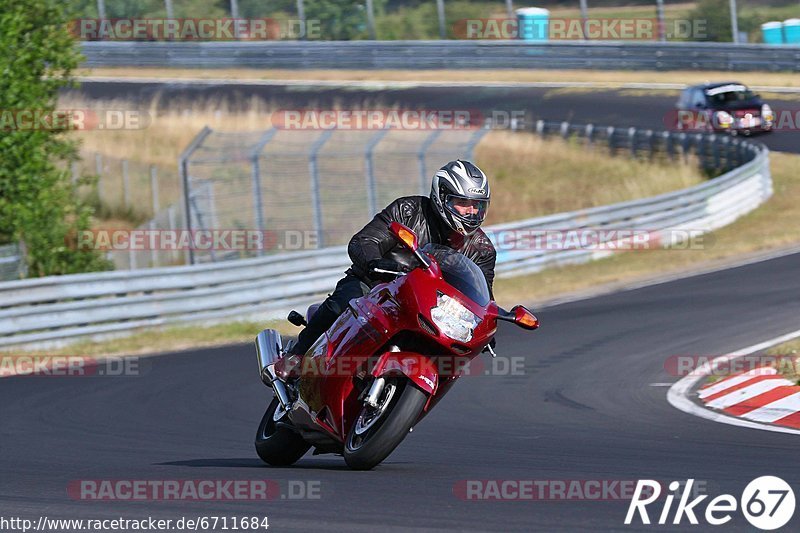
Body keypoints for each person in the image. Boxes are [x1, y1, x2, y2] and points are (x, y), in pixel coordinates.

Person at [275, 159, 496, 379]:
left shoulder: (482, 250)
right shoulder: (409, 211)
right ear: (442, 197)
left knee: (450, 361)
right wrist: (375, 264)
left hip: (428, 306)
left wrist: (486, 325)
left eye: (477, 205)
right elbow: (364, 241)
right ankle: (297, 355)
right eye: (463, 203)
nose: (471, 212)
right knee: (342, 304)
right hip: (376, 286)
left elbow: (483, 296)